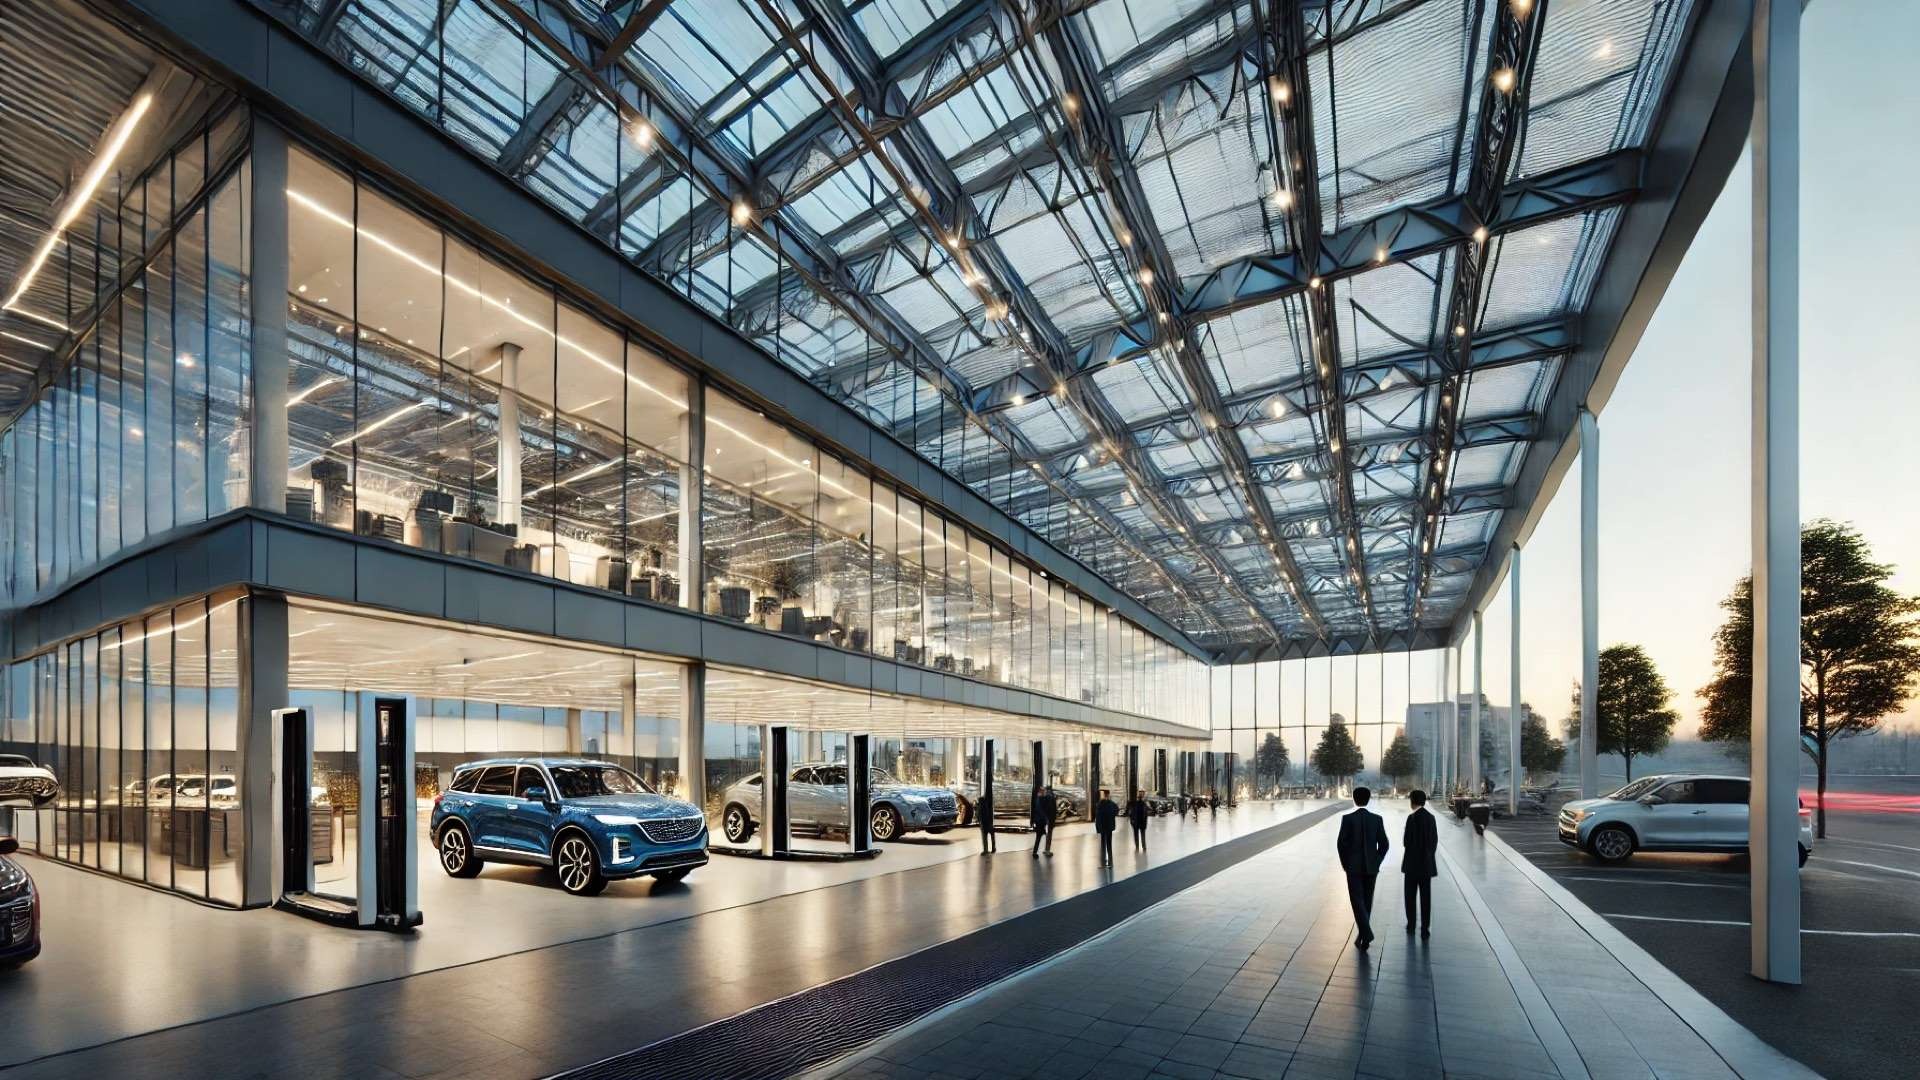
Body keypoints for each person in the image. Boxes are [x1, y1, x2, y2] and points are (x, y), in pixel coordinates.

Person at [1336, 786, 1390, 949]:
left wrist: (1346, 864)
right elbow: (1384, 844)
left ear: (1354, 798)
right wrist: (1377, 860)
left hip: (1353, 867)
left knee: (1356, 900)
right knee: (1367, 900)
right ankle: (1363, 936)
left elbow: (1341, 845)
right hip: (1371, 868)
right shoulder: (1377, 819)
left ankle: (1366, 934)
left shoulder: (1347, 819)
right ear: (1368, 798)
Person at [1403, 788, 1438, 938]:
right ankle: (1425, 928)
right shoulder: (1431, 818)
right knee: (1426, 897)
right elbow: (1434, 841)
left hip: (1411, 865)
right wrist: (1428, 856)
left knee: (1410, 896)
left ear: (1412, 801)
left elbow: (1406, 842)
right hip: (1426, 865)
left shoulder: (1411, 819)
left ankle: (1411, 924)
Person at [1093, 788, 1120, 865]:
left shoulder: (1100, 804)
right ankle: (1109, 860)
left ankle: (1103, 860)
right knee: (1108, 844)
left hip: (1104, 826)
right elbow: (1116, 811)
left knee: (1104, 844)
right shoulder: (1111, 804)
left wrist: (1098, 827)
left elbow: (1097, 817)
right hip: (1108, 826)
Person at [1030, 784, 1058, 857]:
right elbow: (1050, 810)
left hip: (1041, 821)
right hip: (1045, 821)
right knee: (1046, 835)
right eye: (1044, 791)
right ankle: (1045, 850)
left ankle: (1036, 852)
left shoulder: (1040, 798)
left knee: (1039, 837)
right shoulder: (1048, 797)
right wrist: (1047, 819)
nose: (1045, 792)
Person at [977, 787, 996, 854]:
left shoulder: (980, 807)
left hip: (984, 824)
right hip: (990, 823)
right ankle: (993, 848)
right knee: (992, 836)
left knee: (985, 838)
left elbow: (979, 817)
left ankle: (986, 850)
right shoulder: (988, 805)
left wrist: (980, 822)